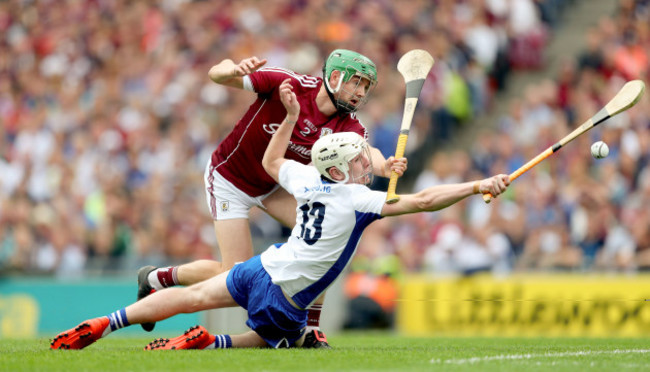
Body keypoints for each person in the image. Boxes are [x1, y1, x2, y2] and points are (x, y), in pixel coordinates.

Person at [50, 79, 510, 351]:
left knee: (193, 299)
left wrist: (289, 116)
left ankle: (105, 322)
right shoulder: (358, 201)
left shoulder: (305, 180)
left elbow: (271, 163)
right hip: (284, 294)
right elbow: (426, 200)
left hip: (259, 269)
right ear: (340, 169)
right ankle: (215, 344)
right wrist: (476, 185)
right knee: (282, 339)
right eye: (358, 162)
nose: (363, 165)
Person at [135, 49, 407, 347]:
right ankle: (155, 278)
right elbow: (217, 73)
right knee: (232, 272)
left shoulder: (348, 124)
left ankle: (310, 331)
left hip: (273, 185)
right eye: (356, 82)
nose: (360, 92)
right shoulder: (289, 85)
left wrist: (386, 165)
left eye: (366, 87)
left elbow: (368, 153)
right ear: (334, 76)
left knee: (328, 236)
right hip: (230, 178)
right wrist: (234, 69)